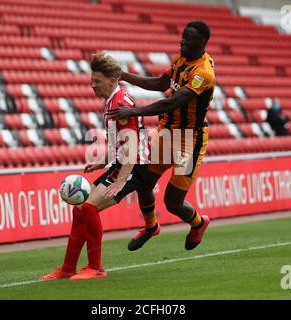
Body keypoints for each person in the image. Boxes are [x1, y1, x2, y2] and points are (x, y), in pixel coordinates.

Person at [41, 53, 152, 281]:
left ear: (112, 80)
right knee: (80, 208)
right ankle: (68, 268)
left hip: (135, 167)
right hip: (123, 163)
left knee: (89, 207)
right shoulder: (112, 100)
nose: (92, 85)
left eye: (97, 81)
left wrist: (121, 180)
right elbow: (119, 141)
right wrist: (103, 161)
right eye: (92, 80)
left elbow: (131, 145)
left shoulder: (120, 102)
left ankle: (96, 268)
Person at [106, 21, 215, 251]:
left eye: (188, 38)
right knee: (143, 183)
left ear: (202, 43)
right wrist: (123, 75)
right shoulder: (180, 61)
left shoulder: (203, 74)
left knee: (173, 203)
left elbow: (173, 101)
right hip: (166, 133)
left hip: (188, 142)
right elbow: (159, 83)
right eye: (182, 36)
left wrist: (133, 111)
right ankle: (151, 226)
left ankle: (198, 223)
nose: (182, 41)